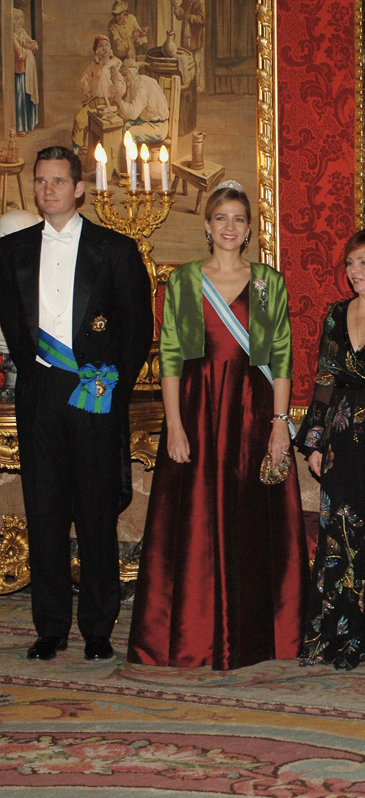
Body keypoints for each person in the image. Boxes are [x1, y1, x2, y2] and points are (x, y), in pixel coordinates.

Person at [127, 180, 306, 670]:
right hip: (199, 411)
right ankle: (193, 635)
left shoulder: (269, 282)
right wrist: (176, 426)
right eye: (221, 218)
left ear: (249, 230)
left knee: (250, 519)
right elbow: (168, 360)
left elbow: (283, 360)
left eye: (239, 220)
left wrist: (278, 426)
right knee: (197, 521)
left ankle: (258, 638)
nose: (230, 227)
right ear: (207, 227)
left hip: (252, 413)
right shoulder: (183, 281)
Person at [0, 146, 153, 661]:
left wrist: (110, 386)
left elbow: (136, 332)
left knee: (94, 512)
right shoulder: (12, 250)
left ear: (79, 187)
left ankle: (97, 627)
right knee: (44, 513)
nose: (48, 190)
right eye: (40, 182)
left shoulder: (114, 249)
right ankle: (49, 627)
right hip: (40, 394)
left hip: (95, 393)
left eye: (58, 181)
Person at [295, 229, 365, 671]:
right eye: (349, 263)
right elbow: (325, 379)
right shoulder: (335, 314)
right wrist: (316, 441)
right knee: (339, 540)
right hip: (341, 439)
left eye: (364, 263)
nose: (354, 272)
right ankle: (339, 639)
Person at [72, 36, 123, 154]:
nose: (104, 48)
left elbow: (122, 87)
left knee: (105, 126)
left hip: (109, 104)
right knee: (79, 119)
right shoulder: (94, 65)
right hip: (95, 102)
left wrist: (115, 80)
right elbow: (83, 78)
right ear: (96, 51)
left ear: (110, 48)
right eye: (101, 46)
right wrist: (88, 90)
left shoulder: (116, 64)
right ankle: (75, 150)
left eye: (106, 45)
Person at [112, 59, 169, 146]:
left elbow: (133, 113)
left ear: (133, 72)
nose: (123, 78)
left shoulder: (141, 85)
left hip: (158, 126)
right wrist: (120, 105)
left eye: (125, 74)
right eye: (122, 75)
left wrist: (120, 103)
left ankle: (132, 159)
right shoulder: (133, 84)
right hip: (147, 122)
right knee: (126, 125)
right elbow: (128, 112)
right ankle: (122, 158)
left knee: (130, 133)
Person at [12, 9, 39, 133]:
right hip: (20, 72)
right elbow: (20, 55)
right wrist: (28, 47)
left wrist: (28, 45)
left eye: (21, 18)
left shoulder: (22, 32)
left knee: (28, 98)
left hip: (28, 72)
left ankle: (29, 125)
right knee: (20, 99)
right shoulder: (12, 36)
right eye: (17, 19)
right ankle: (20, 127)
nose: (20, 21)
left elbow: (34, 45)